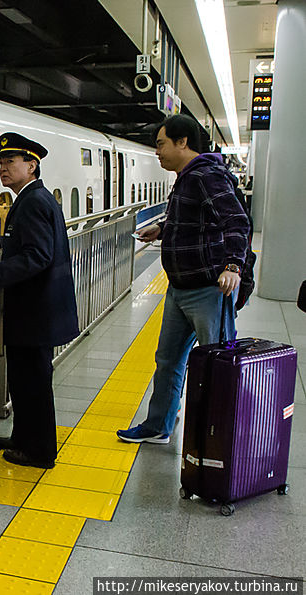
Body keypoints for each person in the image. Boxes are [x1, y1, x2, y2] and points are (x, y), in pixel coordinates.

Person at [117, 114, 250, 444]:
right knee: (167, 360)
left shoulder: (206, 176)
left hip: (208, 290)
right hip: (179, 288)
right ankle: (158, 425)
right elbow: (194, 219)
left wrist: (233, 266)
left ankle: (219, 435)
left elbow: (237, 221)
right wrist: (162, 228)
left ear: (182, 142)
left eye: (161, 144)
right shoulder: (186, 178)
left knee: (216, 363)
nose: (157, 152)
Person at [0, 132, 80, 468]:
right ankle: (22, 437)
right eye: (2, 163)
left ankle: (40, 452)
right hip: (34, 310)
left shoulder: (33, 202)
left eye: (11, 162)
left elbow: (37, 256)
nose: (4, 168)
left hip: (36, 311)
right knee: (22, 381)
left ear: (32, 165)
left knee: (33, 383)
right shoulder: (31, 198)